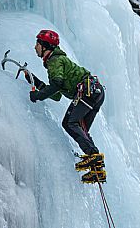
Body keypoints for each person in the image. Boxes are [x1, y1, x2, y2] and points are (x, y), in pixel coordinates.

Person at [26, 29, 106, 183]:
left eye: (37, 43)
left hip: (87, 92)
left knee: (70, 123)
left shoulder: (54, 60)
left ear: (45, 46)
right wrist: (36, 82)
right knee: (80, 129)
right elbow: (56, 95)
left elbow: (56, 85)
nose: (34, 47)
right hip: (95, 92)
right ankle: (97, 170)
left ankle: (93, 157)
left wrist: (37, 96)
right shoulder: (56, 61)